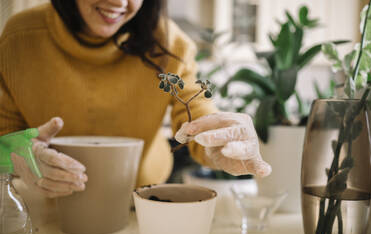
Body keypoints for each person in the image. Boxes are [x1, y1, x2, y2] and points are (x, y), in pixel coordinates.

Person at [0, 0, 271, 198]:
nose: (120, 3)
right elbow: (4, 133)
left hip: (141, 200)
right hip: (47, 203)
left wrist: (222, 140)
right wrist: (21, 155)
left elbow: (196, 113)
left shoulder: (171, 43)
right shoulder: (19, 37)